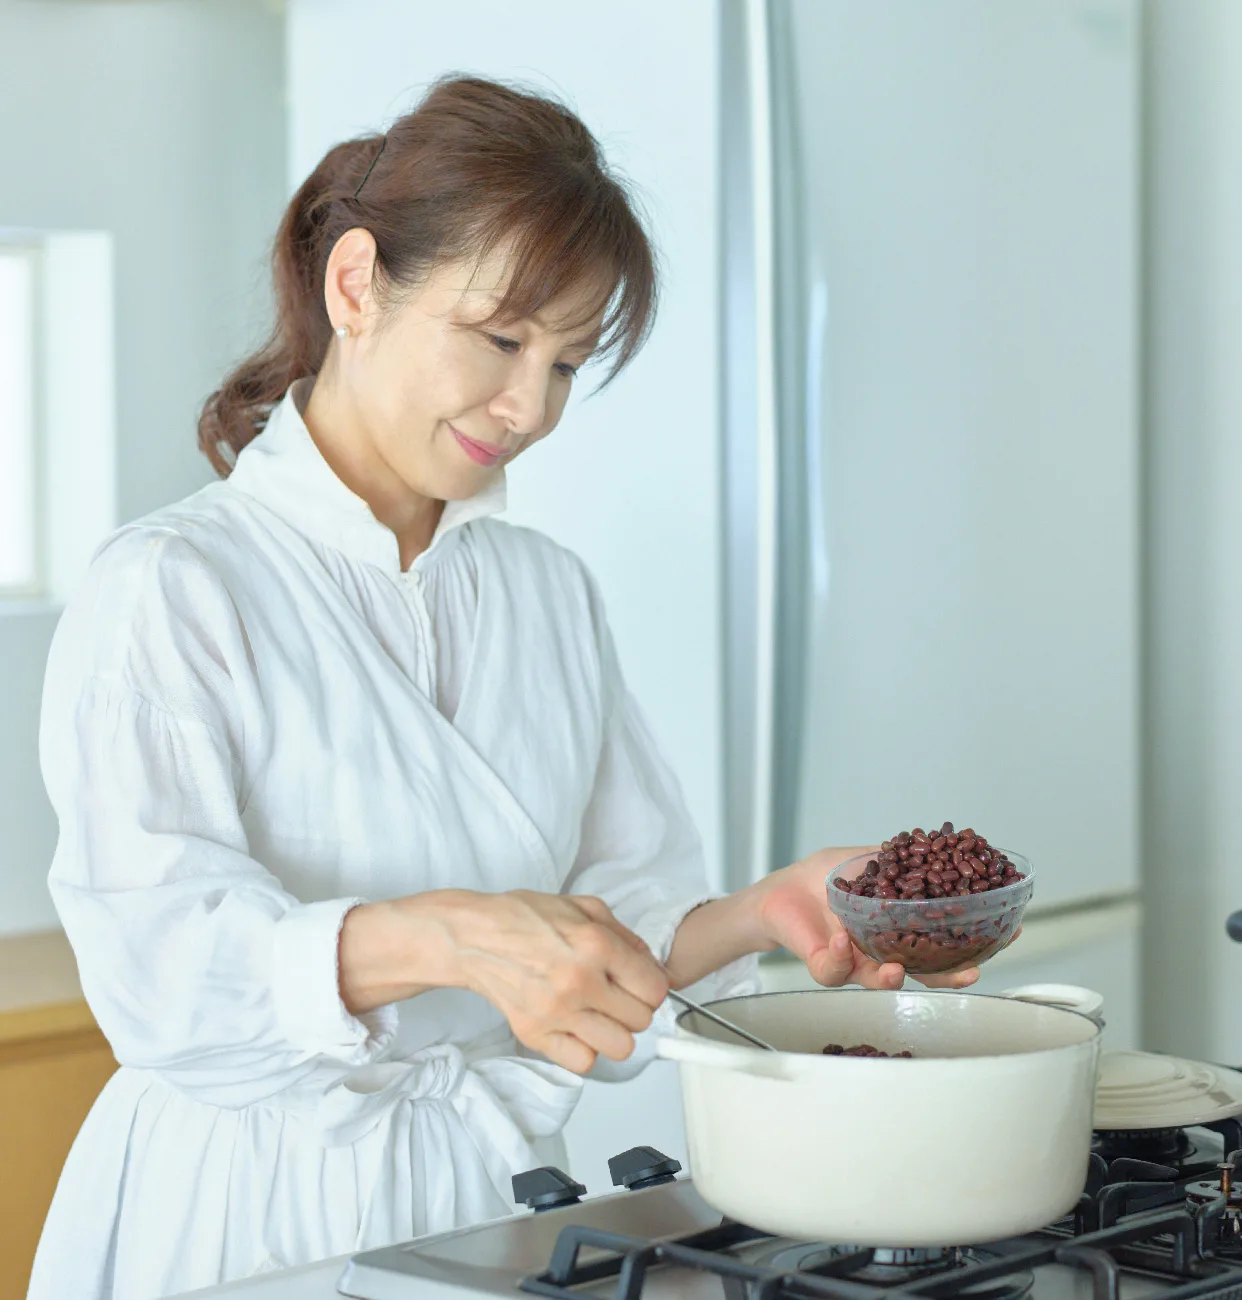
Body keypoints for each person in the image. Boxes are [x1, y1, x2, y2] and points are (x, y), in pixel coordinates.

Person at [28, 76, 979, 1300]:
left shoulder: (545, 592)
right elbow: (162, 974)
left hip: (482, 1209)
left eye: (568, 363)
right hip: (246, 1213)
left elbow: (606, 927)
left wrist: (759, 911)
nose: (530, 407)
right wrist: (453, 935)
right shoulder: (174, 586)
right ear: (357, 284)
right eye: (500, 339)